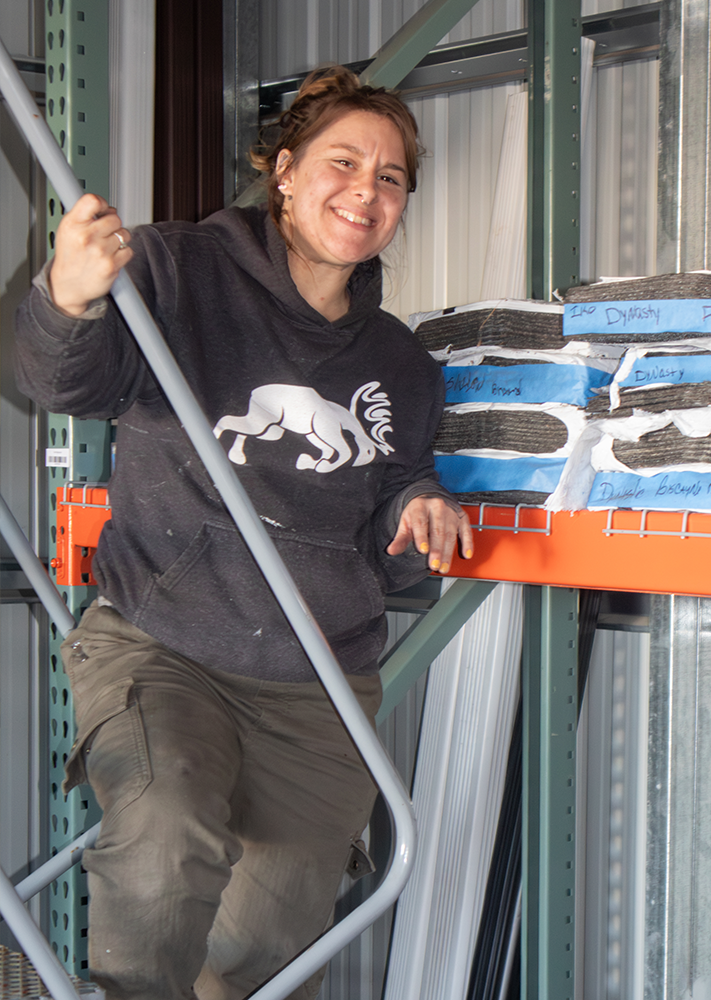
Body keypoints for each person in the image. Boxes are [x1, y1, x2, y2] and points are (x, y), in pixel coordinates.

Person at [16, 65, 473, 1000]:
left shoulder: (399, 362)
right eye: (344, 162)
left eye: (391, 178)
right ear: (287, 173)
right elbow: (71, 384)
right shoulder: (182, 274)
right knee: (165, 833)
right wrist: (69, 298)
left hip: (318, 676)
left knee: (275, 934)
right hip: (166, 643)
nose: (367, 190)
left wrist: (417, 500)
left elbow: (391, 475)